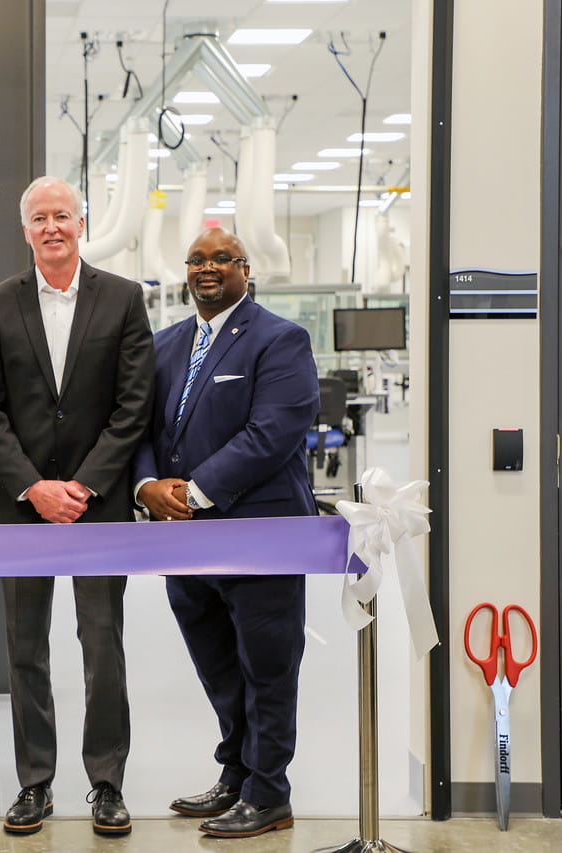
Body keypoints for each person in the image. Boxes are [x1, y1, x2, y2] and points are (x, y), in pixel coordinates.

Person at [0, 176, 155, 837]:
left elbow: (135, 404)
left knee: (101, 642)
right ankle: (34, 783)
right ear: (25, 230)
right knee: (24, 648)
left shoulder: (123, 300)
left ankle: (106, 783)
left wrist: (84, 484)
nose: (51, 226)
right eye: (39, 217)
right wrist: (32, 486)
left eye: (62, 216)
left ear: (82, 223)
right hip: (20, 506)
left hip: (95, 507)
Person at [132, 227, 319, 839]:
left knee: (267, 669)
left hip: (260, 537)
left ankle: (270, 794)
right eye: (198, 260)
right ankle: (237, 775)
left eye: (222, 259)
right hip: (185, 545)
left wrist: (194, 491)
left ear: (246, 270)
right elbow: (139, 430)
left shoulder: (280, 339)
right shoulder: (165, 345)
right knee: (219, 668)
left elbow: (275, 431)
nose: (208, 269)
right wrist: (147, 486)